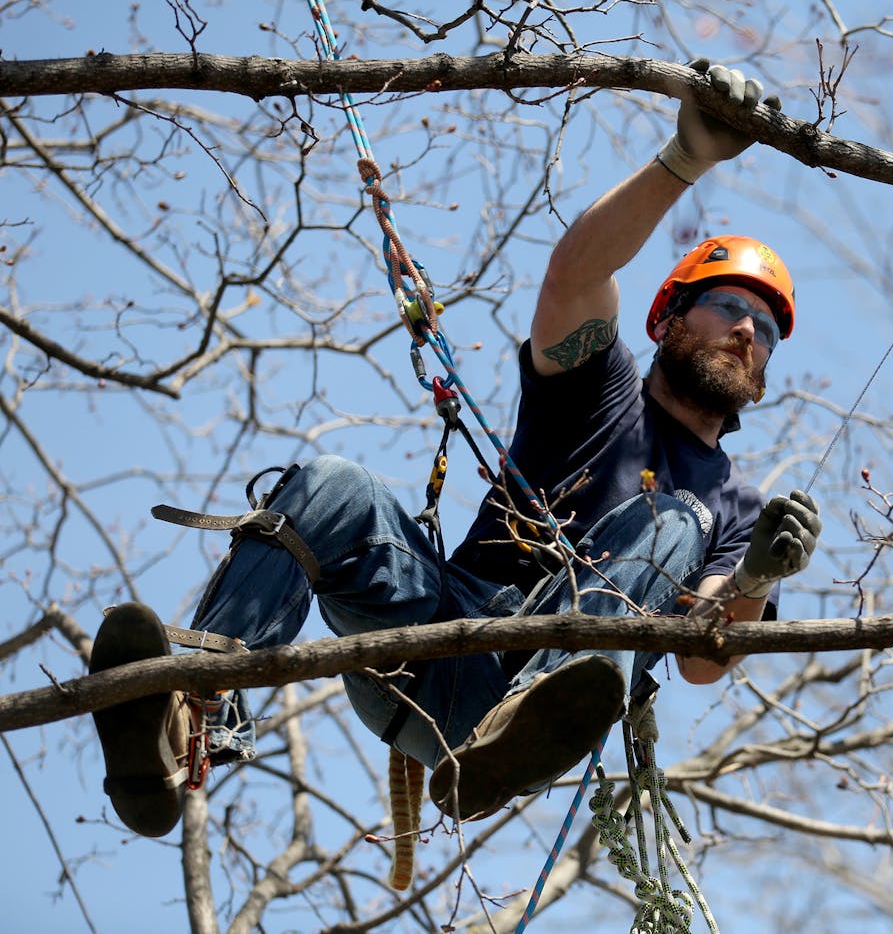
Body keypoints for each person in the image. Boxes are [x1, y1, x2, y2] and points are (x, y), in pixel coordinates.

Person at [88, 59, 821, 837]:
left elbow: (703, 657)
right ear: (669, 318)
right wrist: (686, 160)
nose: (747, 330)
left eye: (766, 329)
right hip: (436, 629)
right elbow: (577, 273)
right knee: (334, 483)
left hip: (539, 696)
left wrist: (752, 576)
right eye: (729, 306)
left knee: (673, 519)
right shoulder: (598, 385)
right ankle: (185, 709)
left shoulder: (735, 507)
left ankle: (530, 711)